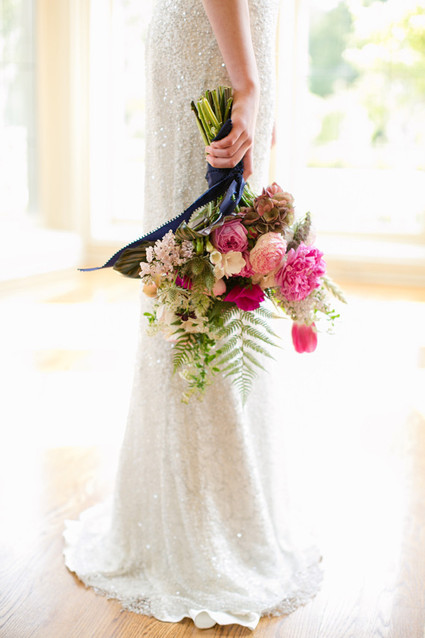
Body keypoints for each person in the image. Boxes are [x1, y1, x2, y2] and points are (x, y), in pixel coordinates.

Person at [63, 0, 323, 630]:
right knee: (202, 273)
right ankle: (206, 523)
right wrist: (249, 86)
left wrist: (260, 87)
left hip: (221, 39)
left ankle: (209, 511)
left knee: (212, 270)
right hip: (217, 43)